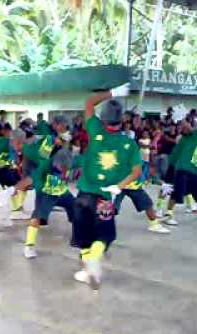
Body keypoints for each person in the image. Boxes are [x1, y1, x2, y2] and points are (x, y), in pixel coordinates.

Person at [71, 82, 143, 289]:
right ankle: (94, 258)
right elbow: (136, 172)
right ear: (122, 121)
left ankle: (87, 269)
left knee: (82, 234)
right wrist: (119, 187)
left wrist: (113, 93)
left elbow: (89, 103)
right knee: (105, 234)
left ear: (103, 119)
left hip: (84, 194)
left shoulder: (94, 130)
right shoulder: (129, 144)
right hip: (104, 198)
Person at [23, 148, 76, 259]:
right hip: (46, 193)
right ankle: (29, 245)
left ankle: (78, 236)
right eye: (61, 168)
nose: (63, 170)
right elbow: (36, 182)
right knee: (37, 216)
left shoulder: (71, 162)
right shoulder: (45, 166)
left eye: (66, 168)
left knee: (76, 208)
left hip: (62, 192)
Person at [113, 159, 170, 234]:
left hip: (127, 185)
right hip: (129, 186)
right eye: (154, 171)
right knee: (147, 203)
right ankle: (154, 224)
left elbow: (154, 179)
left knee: (147, 203)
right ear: (152, 168)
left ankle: (154, 224)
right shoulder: (141, 165)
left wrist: (163, 184)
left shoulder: (147, 169)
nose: (154, 174)